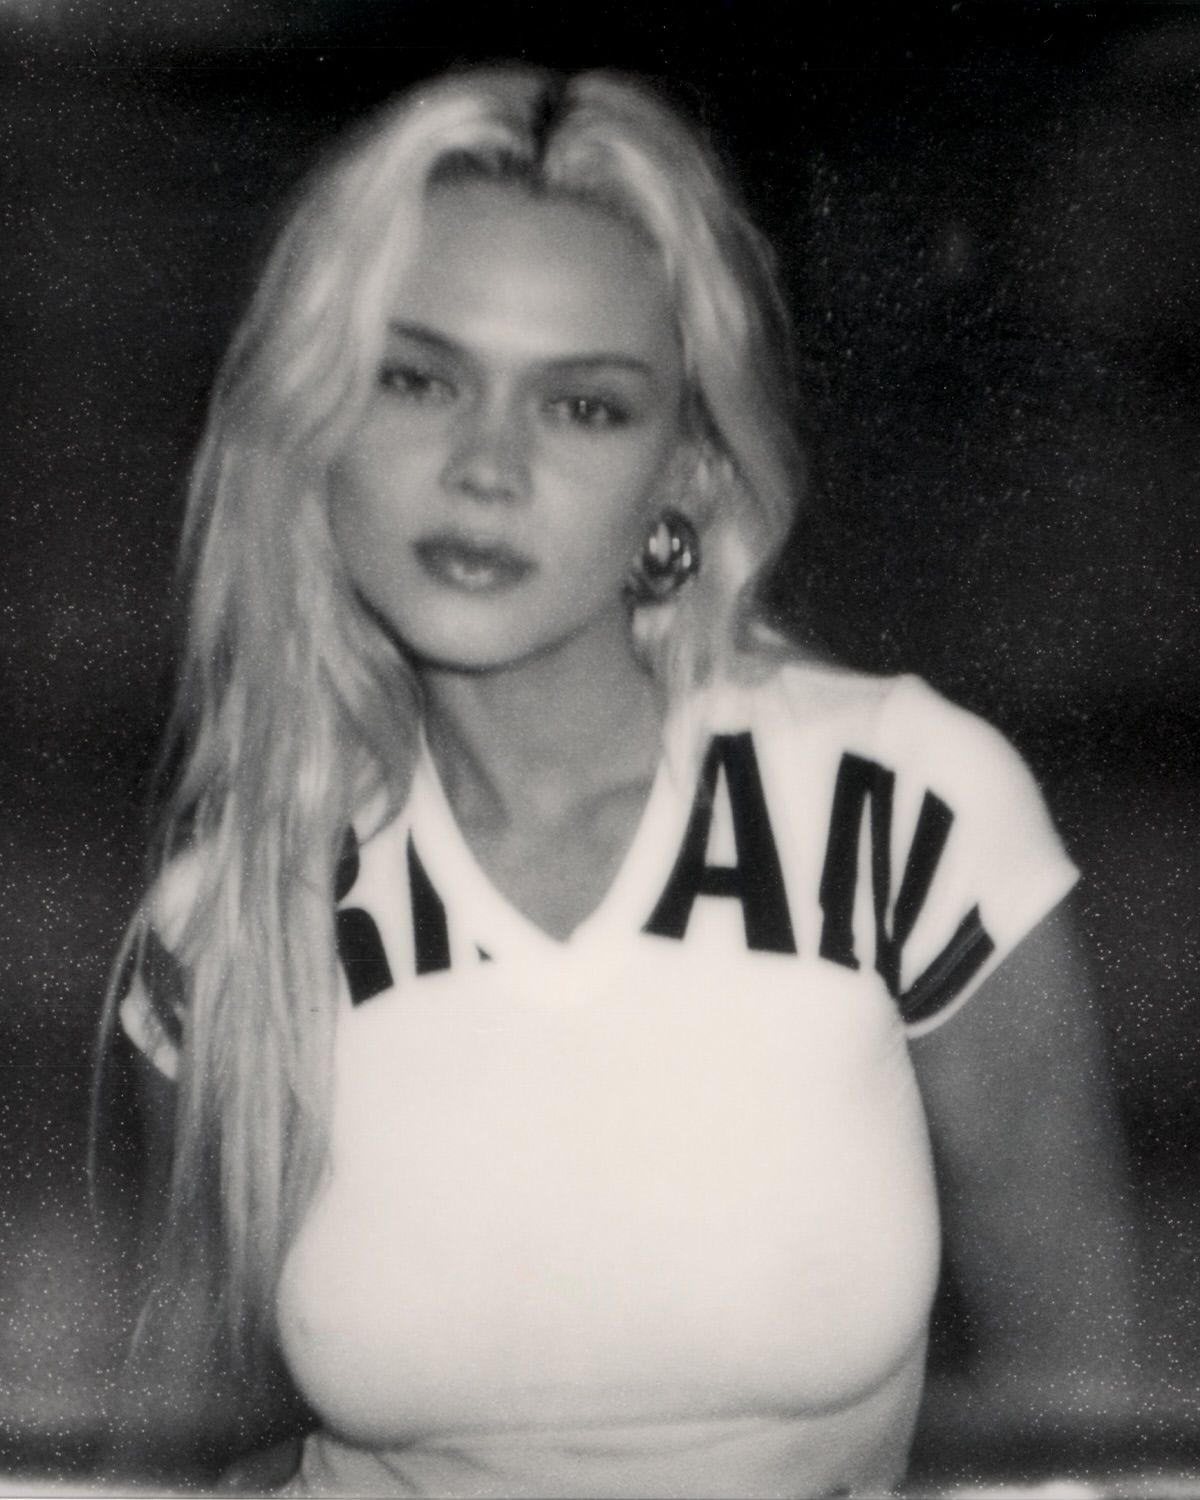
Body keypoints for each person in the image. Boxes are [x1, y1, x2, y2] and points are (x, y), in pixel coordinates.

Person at [108, 63, 1134, 1498]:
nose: (485, 467)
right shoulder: (227, 925)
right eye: (418, 379)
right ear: (313, 421)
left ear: (686, 477)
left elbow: (1087, 1416)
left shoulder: (903, 810)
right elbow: (163, 1454)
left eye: (584, 407)